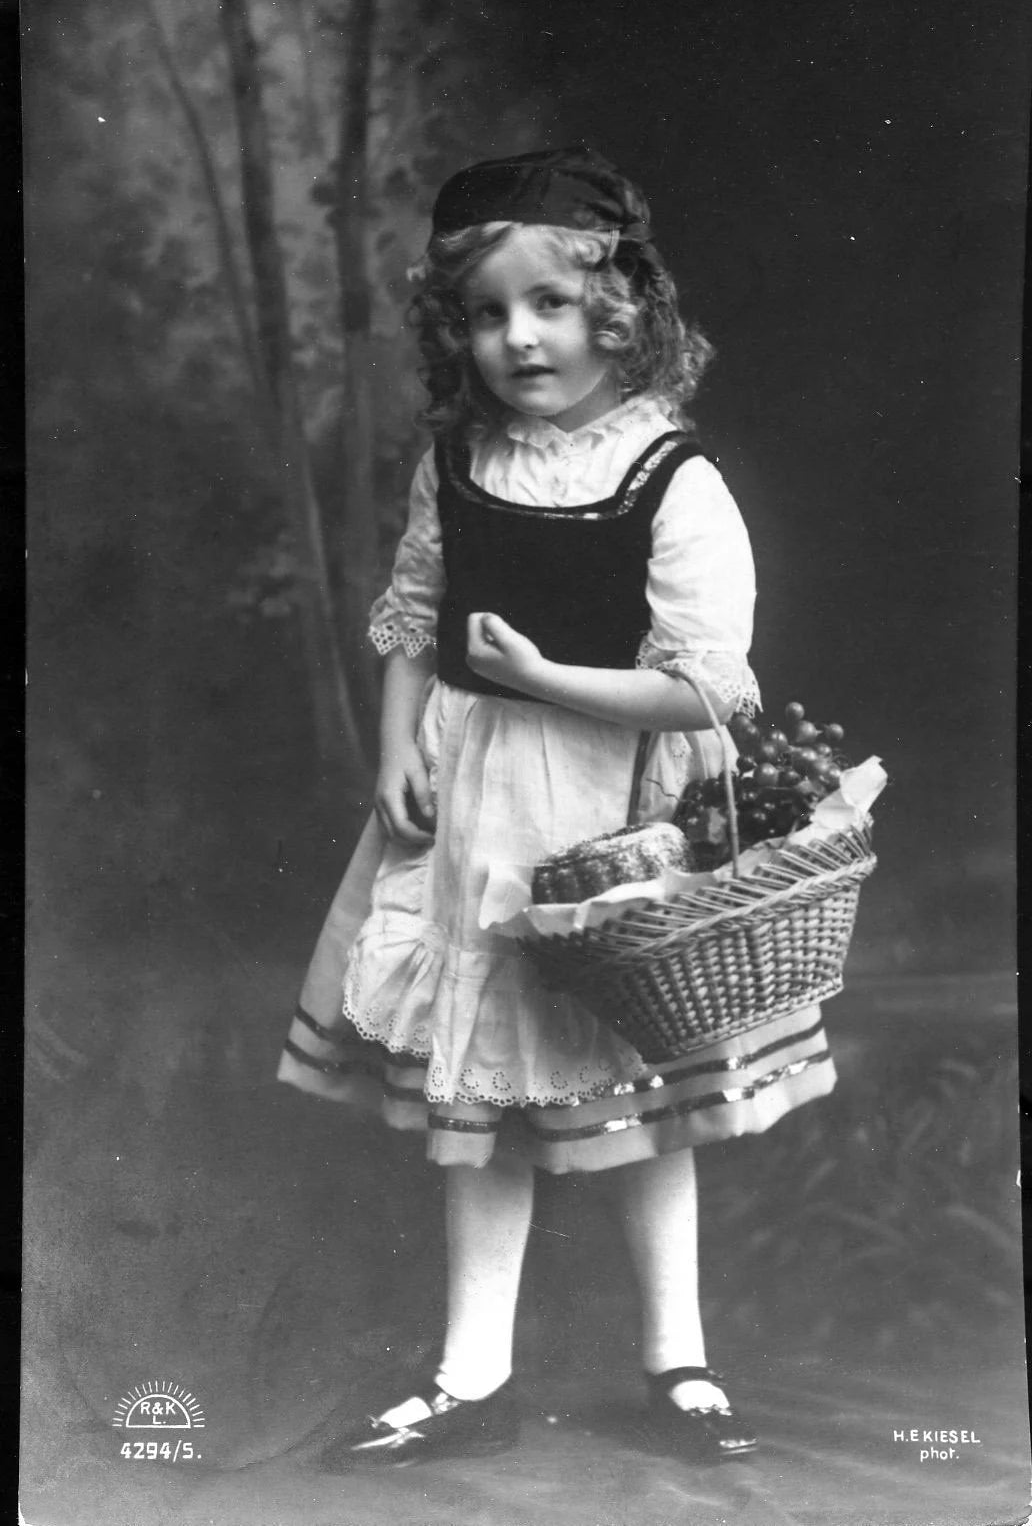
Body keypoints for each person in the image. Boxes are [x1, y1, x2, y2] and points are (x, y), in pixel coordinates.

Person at [277, 147, 837, 1469]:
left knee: (634, 1085)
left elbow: (707, 694)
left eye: (551, 304)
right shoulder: (458, 460)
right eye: (485, 312)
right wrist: (397, 743)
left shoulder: (669, 477)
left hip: (615, 821)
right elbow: (416, 616)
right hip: (476, 811)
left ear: (620, 312)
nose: (518, 336)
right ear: (451, 325)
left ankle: (680, 1357)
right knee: (484, 1103)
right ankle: (474, 1376)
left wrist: (544, 677)